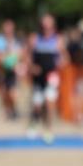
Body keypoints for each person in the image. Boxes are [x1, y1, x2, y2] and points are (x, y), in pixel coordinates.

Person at [26, 13, 65, 143]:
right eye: (43, 27)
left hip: (51, 76)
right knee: (37, 104)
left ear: (53, 27)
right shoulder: (34, 39)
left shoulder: (58, 40)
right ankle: (34, 121)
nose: (46, 29)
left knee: (49, 104)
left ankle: (48, 129)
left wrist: (60, 64)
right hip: (38, 76)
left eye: (48, 26)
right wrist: (31, 67)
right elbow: (27, 56)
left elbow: (64, 58)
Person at [0, 20, 22, 120]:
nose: (8, 30)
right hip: (1, 70)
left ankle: (12, 108)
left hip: (12, 71)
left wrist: (17, 64)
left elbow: (20, 55)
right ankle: (7, 110)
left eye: (10, 28)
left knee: (13, 93)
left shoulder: (16, 41)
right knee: (3, 92)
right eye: (6, 28)